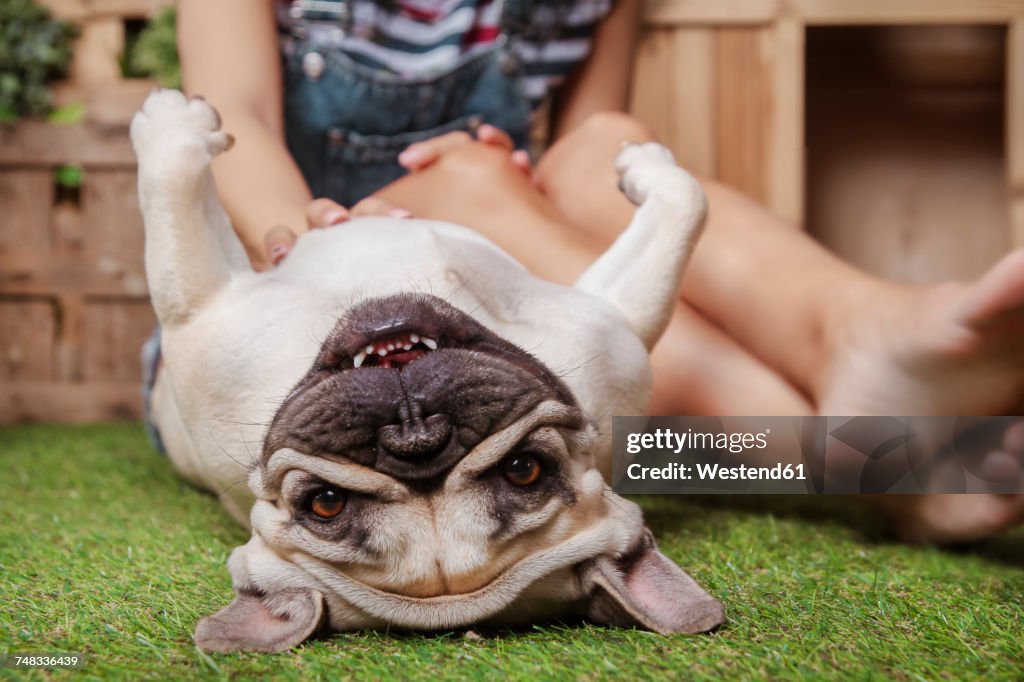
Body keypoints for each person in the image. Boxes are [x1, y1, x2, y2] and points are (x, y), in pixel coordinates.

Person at [175, 0, 1024, 543]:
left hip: (499, 327)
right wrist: (317, 231)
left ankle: (853, 335)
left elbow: (583, 176)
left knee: (598, 148)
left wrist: (508, 174)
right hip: (300, 334)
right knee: (471, 180)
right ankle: (867, 454)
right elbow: (231, 124)